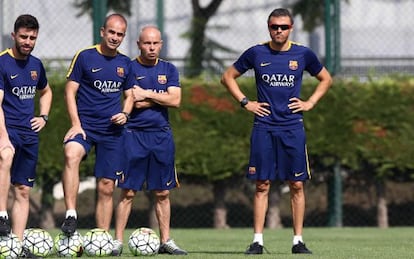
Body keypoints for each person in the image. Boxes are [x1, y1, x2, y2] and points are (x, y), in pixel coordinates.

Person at [221, 8, 332, 255]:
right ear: (268, 27)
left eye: (283, 27)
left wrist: (310, 103)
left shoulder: (303, 54)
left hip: (293, 127)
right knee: (262, 184)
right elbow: (228, 77)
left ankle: (298, 241)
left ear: (291, 28)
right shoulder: (256, 52)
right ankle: (257, 241)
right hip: (264, 127)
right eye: (274, 27)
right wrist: (246, 103)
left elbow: (326, 79)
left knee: (296, 185)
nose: (278, 31)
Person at [112, 25, 187, 256]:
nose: (151, 47)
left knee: (162, 193)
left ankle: (166, 241)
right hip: (133, 136)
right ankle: (117, 242)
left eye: (155, 43)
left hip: (161, 136)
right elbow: (132, 101)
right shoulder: (129, 67)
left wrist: (147, 94)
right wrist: (159, 97)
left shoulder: (169, 69)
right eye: (147, 43)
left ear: (161, 44)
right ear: (138, 44)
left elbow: (175, 101)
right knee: (128, 192)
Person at [60, 13, 133, 236]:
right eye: (111, 32)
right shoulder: (84, 56)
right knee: (71, 153)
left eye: (120, 34)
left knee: (107, 186)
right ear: (102, 32)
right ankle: (71, 214)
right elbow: (69, 91)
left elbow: (130, 95)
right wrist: (75, 124)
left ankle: (101, 237)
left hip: (112, 133)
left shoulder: (125, 63)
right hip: (85, 128)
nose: (115, 37)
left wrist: (125, 114)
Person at [0, 13, 52, 246]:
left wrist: (44, 117)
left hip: (29, 135)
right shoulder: (2, 62)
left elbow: (47, 92)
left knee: (22, 190)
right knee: (5, 157)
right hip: (6, 129)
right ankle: (1, 215)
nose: (27, 41)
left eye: (32, 37)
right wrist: (3, 137)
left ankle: (16, 245)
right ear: (14, 35)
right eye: (23, 37)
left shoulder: (36, 65)